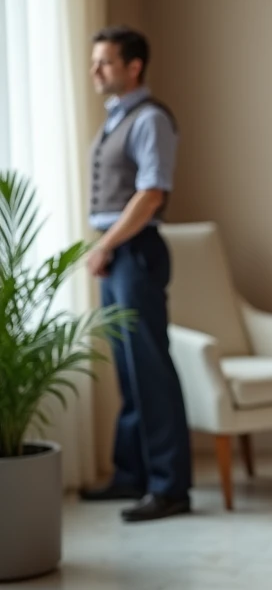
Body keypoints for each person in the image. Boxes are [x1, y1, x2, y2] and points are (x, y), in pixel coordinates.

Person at [78, 26, 193, 523]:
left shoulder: (150, 119)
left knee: (149, 369)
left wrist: (105, 244)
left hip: (134, 251)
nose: (95, 70)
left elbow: (150, 194)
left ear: (133, 67)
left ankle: (170, 488)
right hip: (117, 252)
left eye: (104, 62)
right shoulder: (116, 119)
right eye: (94, 62)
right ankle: (131, 474)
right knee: (127, 369)